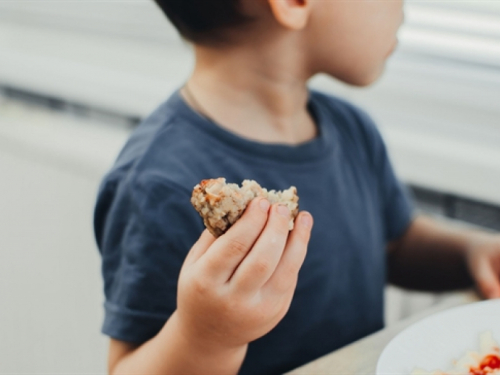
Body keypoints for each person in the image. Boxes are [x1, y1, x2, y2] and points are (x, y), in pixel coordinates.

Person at [93, 0, 500, 374]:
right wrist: (205, 336)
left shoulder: (352, 129)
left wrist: (470, 253)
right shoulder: (153, 182)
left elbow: (395, 242)